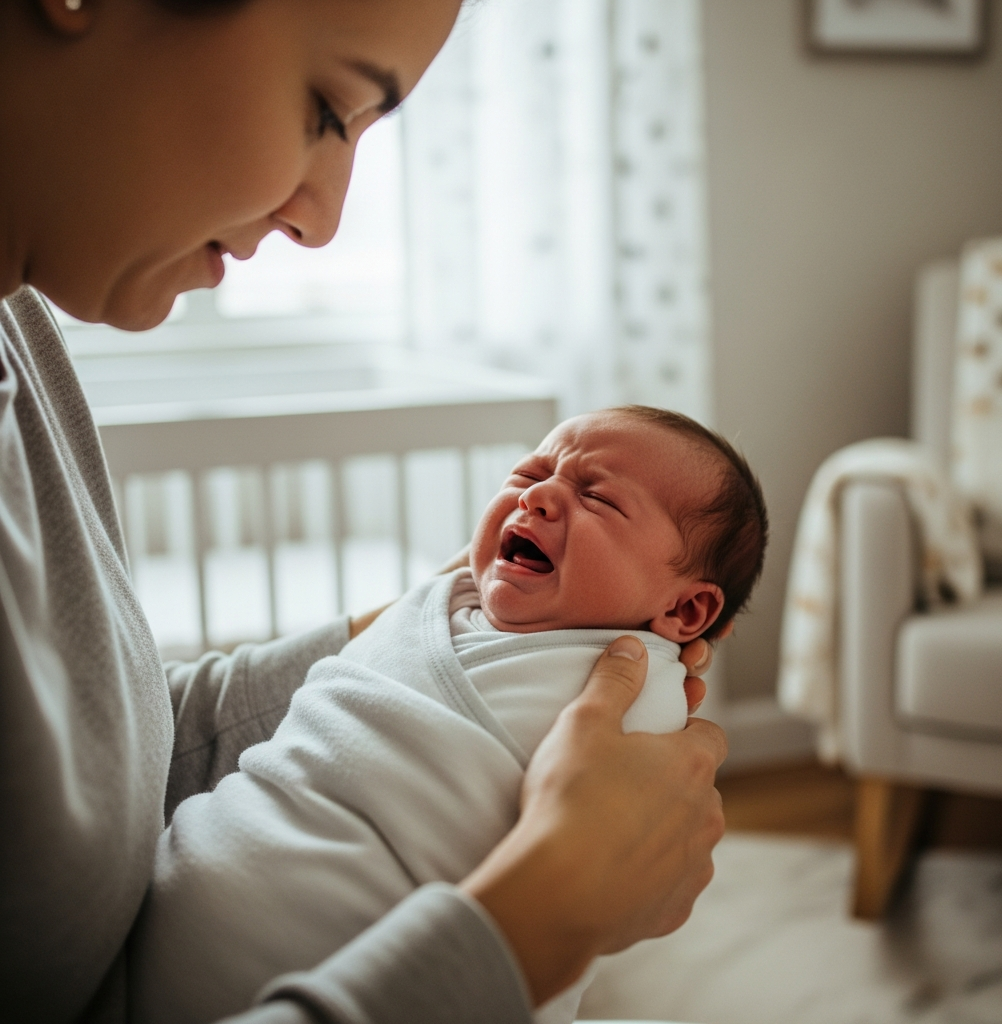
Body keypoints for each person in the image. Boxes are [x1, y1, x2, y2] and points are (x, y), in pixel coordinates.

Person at [0, 3, 730, 1024]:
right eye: (328, 109)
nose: (322, 218)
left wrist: (417, 633)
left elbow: (101, 752)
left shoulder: (20, 330)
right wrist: (545, 910)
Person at [130, 406, 766, 1024]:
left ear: (684, 614)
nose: (538, 496)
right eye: (527, 473)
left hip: (349, 962)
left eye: (599, 498)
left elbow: (635, 830)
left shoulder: (631, 686)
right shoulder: (446, 599)